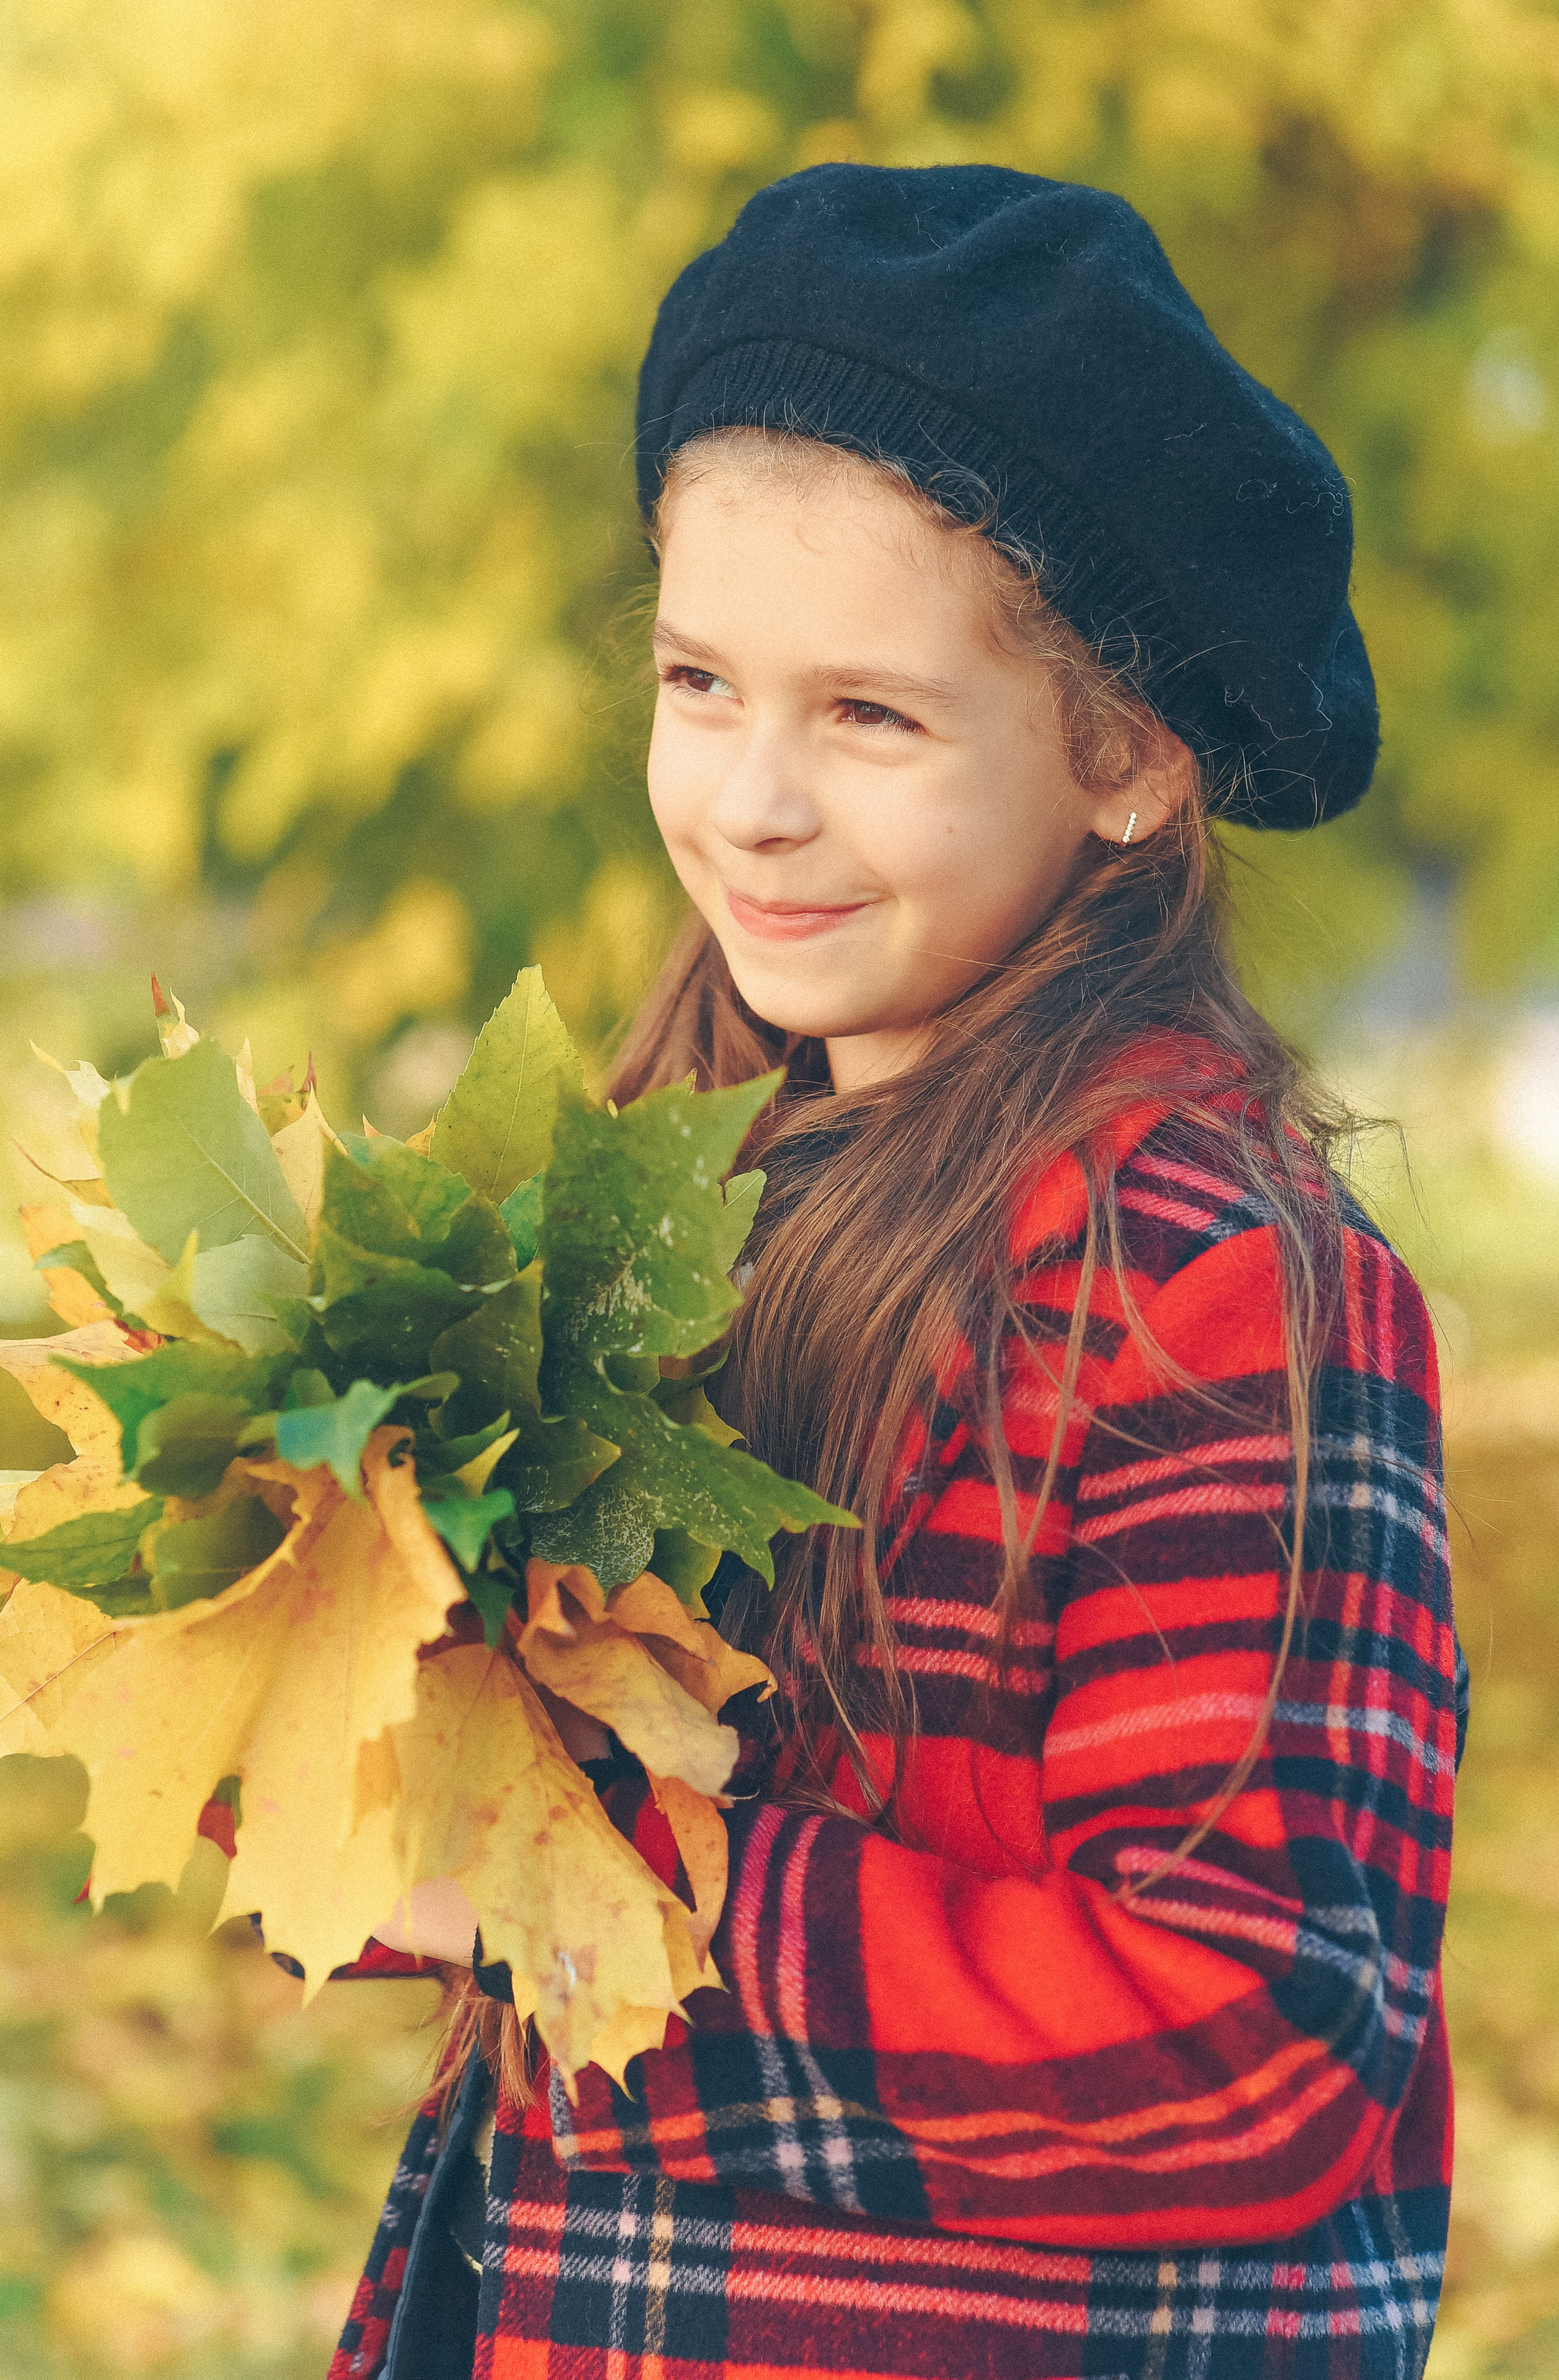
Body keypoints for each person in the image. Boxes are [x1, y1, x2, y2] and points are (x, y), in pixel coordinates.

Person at [331, 165, 1464, 2380]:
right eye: (697, 679)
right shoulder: (685, 1200)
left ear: (1127, 757)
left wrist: (592, 1893)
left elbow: (1257, 2040)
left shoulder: (1201, 1272)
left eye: (870, 716)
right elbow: (437, 1787)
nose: (750, 800)